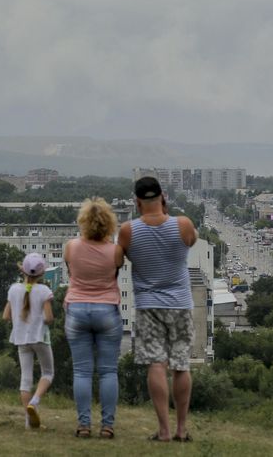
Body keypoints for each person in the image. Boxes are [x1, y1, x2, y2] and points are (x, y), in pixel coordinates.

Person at [118, 177, 198, 443]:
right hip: (180, 304)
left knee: (156, 364)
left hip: (148, 305)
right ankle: (181, 429)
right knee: (181, 365)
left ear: (137, 201)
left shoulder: (128, 230)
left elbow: (122, 257)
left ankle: (163, 430)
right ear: (163, 196)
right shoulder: (183, 224)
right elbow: (191, 241)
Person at [63, 197, 124, 439]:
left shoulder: (71, 247)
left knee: (82, 372)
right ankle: (107, 426)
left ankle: (83, 424)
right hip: (107, 310)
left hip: (77, 310)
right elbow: (116, 271)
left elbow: (71, 270)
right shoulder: (115, 251)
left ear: (83, 222)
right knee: (108, 371)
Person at [3, 252, 54, 429]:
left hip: (21, 339)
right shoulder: (45, 291)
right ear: (41, 274)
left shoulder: (13, 289)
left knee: (26, 379)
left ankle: (28, 422)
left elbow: (5, 316)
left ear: (22, 271)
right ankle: (35, 400)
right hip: (40, 337)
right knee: (47, 373)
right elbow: (48, 318)